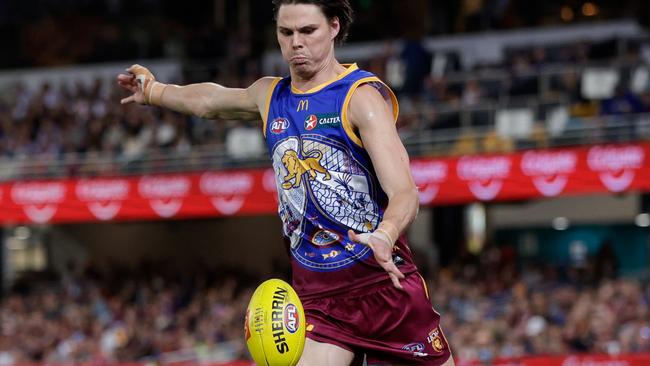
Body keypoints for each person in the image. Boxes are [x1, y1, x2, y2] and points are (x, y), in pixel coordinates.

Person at [117, 1, 454, 365]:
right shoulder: (270, 95)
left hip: (386, 291)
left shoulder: (361, 98)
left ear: (334, 28)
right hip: (317, 301)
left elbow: (405, 192)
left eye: (308, 31)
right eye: (286, 33)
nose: (296, 43)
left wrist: (385, 234)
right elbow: (212, 100)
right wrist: (154, 91)